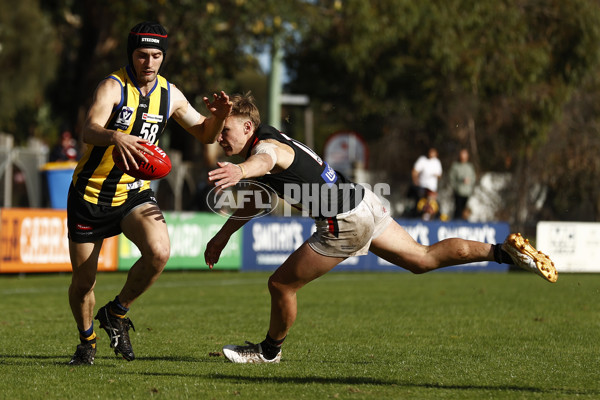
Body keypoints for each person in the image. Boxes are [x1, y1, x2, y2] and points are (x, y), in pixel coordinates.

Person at [204, 93, 558, 364]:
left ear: (248, 127)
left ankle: (268, 352)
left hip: (343, 221)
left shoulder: (265, 147)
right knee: (422, 258)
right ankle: (501, 251)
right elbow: (256, 197)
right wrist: (222, 236)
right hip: (364, 202)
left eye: (226, 130)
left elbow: (265, 159)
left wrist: (240, 171)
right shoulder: (267, 138)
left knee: (281, 284)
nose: (220, 136)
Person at [66, 21, 232, 365]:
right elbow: (89, 129)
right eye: (143, 55)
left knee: (159, 252)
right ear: (132, 54)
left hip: (133, 193)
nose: (150, 62)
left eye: (157, 55)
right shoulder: (112, 87)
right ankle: (87, 341)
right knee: (84, 282)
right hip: (91, 194)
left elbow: (204, 133)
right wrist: (115, 136)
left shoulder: (170, 94)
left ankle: (117, 312)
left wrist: (218, 119)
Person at [449, 148, 477, 220]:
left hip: (467, 192)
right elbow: (452, 178)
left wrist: (469, 183)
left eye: (465, 154)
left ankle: (464, 222)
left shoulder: (470, 166)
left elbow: (473, 178)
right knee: (458, 209)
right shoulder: (455, 166)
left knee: (465, 210)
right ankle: (456, 223)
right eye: (462, 154)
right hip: (458, 191)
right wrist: (456, 187)